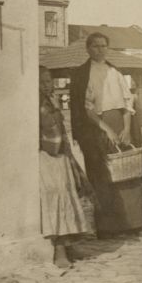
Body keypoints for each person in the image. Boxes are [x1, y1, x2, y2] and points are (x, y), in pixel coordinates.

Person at [70, 32, 142, 239]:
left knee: (127, 172)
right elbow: (86, 109)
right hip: (96, 126)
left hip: (121, 123)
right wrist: (107, 129)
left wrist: (125, 129)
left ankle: (133, 223)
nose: (100, 49)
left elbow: (127, 103)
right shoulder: (82, 74)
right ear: (88, 49)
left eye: (103, 46)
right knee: (102, 174)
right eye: (95, 46)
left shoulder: (115, 72)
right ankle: (108, 227)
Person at [39, 66, 90, 268]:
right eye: (41, 82)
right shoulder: (34, 104)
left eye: (48, 81)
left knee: (68, 195)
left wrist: (68, 153)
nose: (46, 85)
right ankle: (59, 249)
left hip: (60, 155)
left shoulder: (51, 102)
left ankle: (69, 243)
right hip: (45, 156)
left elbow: (60, 129)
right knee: (55, 198)